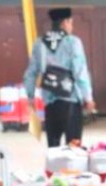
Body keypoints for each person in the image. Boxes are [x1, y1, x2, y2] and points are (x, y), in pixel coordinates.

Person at [23, 8, 96, 148]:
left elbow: (30, 73)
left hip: (50, 102)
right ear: (64, 23)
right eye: (71, 23)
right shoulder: (73, 42)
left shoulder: (40, 43)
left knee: (53, 148)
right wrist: (88, 97)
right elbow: (80, 72)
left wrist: (30, 97)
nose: (72, 26)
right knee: (73, 148)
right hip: (71, 100)